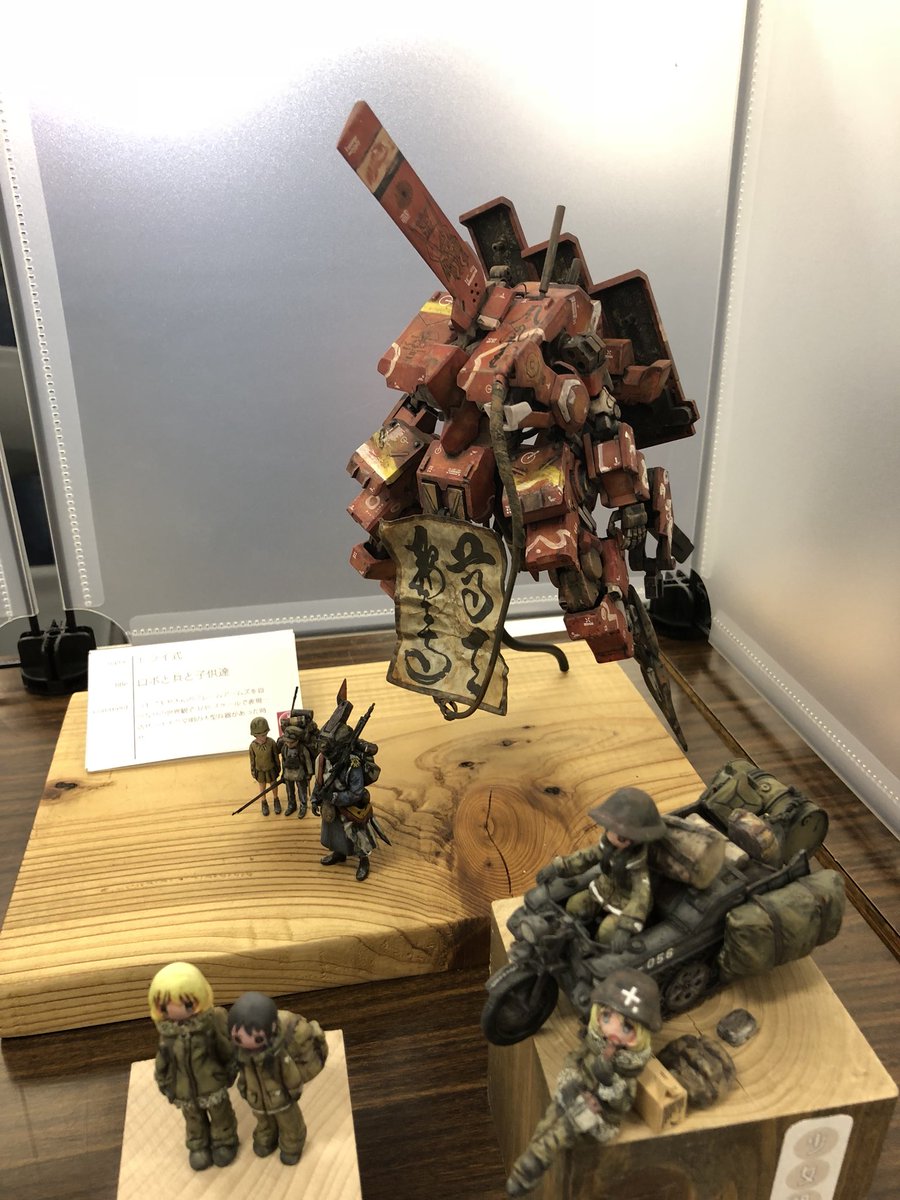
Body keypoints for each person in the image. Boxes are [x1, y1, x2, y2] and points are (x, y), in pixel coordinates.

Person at [506, 968, 661, 1196]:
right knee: (552, 1115)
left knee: (568, 1124)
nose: (613, 1029)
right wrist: (571, 1075)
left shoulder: (626, 1070)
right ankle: (533, 1156)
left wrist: (609, 1084)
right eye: (606, 1017)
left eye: (627, 1027)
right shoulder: (594, 1046)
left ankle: (535, 1162)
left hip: (600, 1115)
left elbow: (623, 1103)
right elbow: (575, 1058)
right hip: (577, 1089)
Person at [537, 787, 666, 951]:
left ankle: (595, 950)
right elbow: (585, 857)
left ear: (630, 840)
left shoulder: (638, 871)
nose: (609, 832)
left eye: (618, 833)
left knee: (607, 932)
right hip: (603, 889)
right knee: (575, 905)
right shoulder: (607, 849)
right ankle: (570, 933)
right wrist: (558, 867)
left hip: (624, 905)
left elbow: (640, 897)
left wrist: (627, 927)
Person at [148, 961, 238, 1171]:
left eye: (187, 1004)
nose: (177, 1010)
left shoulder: (209, 1027)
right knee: (193, 1119)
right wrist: (164, 1082)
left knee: (220, 1114)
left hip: (212, 1083)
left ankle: (225, 1140)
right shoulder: (167, 1038)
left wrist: (230, 1068)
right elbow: (163, 1062)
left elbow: (225, 1049)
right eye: (166, 1006)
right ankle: (198, 1144)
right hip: (184, 1089)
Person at [227, 991, 328, 1165]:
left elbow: (290, 1073)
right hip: (257, 1100)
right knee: (263, 1122)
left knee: (290, 1123)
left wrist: (294, 1090)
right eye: (238, 1037)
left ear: (272, 1028)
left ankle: (292, 1145)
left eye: (256, 1037)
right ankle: (266, 1138)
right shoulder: (243, 1057)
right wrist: (243, 1088)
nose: (247, 1042)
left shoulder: (277, 1055)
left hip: (281, 1098)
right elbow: (244, 1075)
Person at [276, 714, 316, 818]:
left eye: (291, 742)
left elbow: (307, 760)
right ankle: (291, 805)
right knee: (290, 792)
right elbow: (283, 760)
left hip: (300, 774)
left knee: (302, 792)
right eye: (287, 742)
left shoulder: (302, 749)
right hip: (288, 774)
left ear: (297, 740)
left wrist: (309, 773)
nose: (288, 744)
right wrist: (283, 774)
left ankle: (303, 806)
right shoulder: (284, 749)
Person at [248, 716, 281, 816]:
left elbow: (275, 756)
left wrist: (278, 767)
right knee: (262, 787)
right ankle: (264, 802)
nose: (263, 737)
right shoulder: (252, 746)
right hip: (260, 770)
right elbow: (252, 760)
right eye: (261, 735)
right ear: (255, 735)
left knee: (273, 785)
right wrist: (253, 771)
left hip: (271, 769)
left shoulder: (271, 743)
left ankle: (276, 800)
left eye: (265, 734)